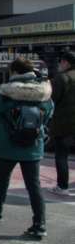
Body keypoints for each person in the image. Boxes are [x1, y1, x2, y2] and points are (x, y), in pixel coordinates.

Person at [0, 58, 54, 239]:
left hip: (7, 146)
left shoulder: (8, 93)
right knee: (33, 185)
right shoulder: (43, 93)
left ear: (15, 72)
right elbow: (49, 113)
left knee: (2, 178)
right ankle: (39, 224)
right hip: (33, 146)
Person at [49, 51, 75, 196]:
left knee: (61, 155)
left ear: (66, 62)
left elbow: (52, 98)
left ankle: (62, 186)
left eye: (61, 62)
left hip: (65, 123)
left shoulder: (62, 78)